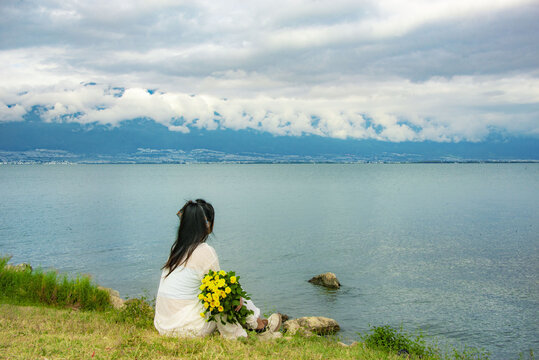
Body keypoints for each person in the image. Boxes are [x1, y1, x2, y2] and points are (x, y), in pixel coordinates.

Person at [154, 199, 281, 339]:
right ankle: (260, 329)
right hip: (188, 329)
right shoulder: (204, 251)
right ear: (208, 224)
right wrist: (235, 295)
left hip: (163, 325)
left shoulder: (176, 250)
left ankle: (257, 325)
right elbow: (220, 289)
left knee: (225, 288)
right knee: (229, 290)